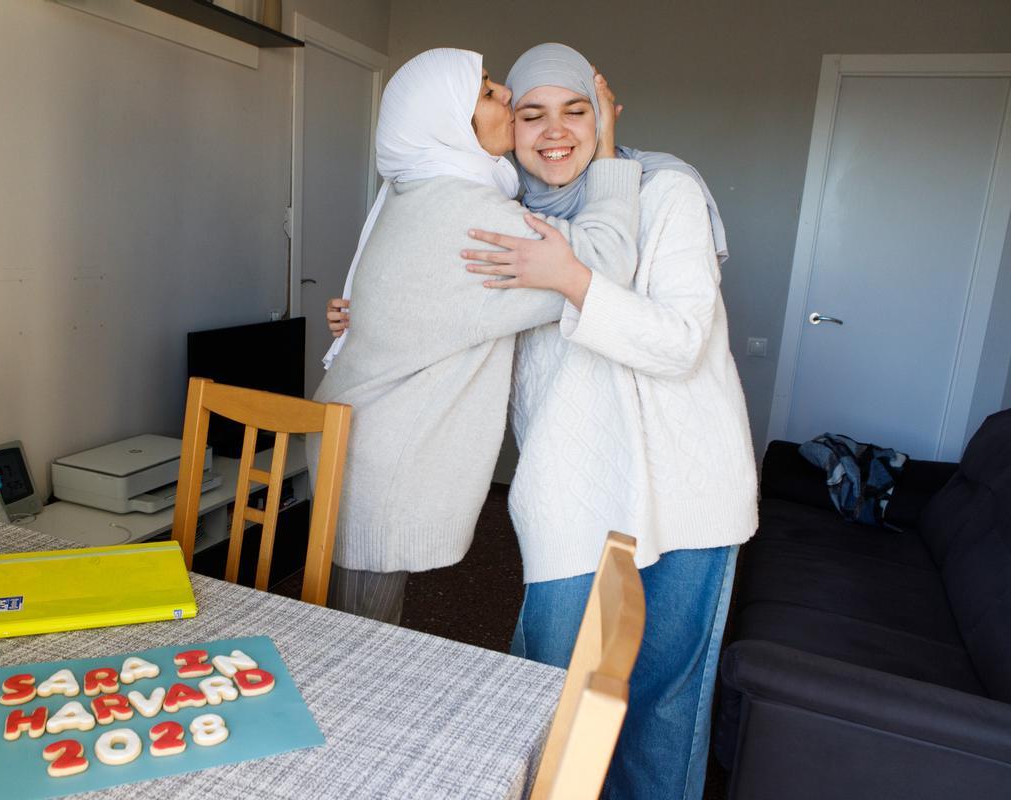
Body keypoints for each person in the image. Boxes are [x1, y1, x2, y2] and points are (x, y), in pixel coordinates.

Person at [462, 43, 757, 800]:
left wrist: (573, 280)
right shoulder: (504, 211)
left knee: (662, 704)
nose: (554, 131)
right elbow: (458, 316)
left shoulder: (667, 193)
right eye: (532, 113)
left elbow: (682, 342)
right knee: (543, 696)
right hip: (572, 484)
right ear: (511, 127)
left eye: (575, 110)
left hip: (688, 489)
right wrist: (363, 319)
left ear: (605, 114)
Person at [309, 47, 641, 625]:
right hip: (386, 461)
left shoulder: (424, 188)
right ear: (449, 124)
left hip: (360, 439)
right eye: (488, 92)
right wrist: (608, 144)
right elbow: (605, 260)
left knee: (354, 622)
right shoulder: (469, 212)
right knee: (358, 639)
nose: (507, 96)